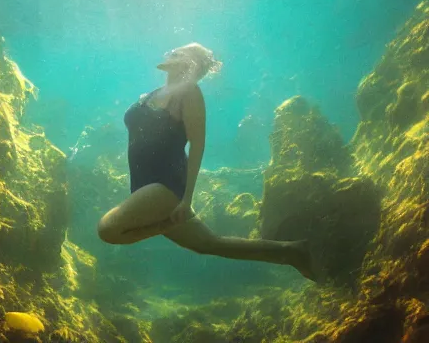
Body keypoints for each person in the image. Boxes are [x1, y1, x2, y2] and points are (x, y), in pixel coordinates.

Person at [97, 42, 314, 280]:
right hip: (142, 186)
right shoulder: (152, 94)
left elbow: (197, 145)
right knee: (210, 244)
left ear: (189, 63)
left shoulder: (189, 92)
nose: (170, 51)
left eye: (178, 52)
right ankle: (294, 251)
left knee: (108, 230)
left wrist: (187, 200)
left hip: (164, 187)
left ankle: (165, 223)